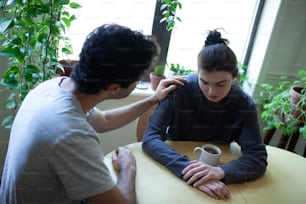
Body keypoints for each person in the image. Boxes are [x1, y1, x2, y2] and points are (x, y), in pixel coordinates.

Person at [0, 24, 184, 204]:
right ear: (113, 88)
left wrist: (153, 99)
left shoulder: (53, 88)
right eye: (137, 80)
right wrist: (128, 167)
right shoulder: (71, 133)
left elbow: (104, 120)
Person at [142, 29, 268, 200]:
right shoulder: (180, 89)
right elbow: (150, 138)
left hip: (218, 175)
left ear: (234, 77)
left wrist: (220, 171)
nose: (211, 91)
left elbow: (257, 157)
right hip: (175, 171)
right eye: (204, 82)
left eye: (221, 84)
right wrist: (190, 171)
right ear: (198, 73)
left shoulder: (244, 104)